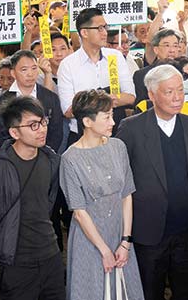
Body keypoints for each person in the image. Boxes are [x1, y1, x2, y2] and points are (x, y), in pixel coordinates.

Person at [116, 65, 188, 300]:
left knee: (186, 291)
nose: (177, 98)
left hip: (186, 229)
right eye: (169, 92)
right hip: (148, 230)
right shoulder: (131, 129)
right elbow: (121, 179)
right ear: (152, 94)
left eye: (180, 90)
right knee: (149, 291)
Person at [0, 97, 64, 300]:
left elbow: (49, 202)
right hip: (16, 262)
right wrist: (2, 250)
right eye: (33, 125)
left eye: (43, 122)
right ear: (14, 132)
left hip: (51, 254)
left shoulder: (50, 160)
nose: (42, 129)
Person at [59, 90, 144, 300]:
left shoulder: (118, 147)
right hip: (89, 240)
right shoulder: (70, 158)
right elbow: (79, 212)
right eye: (107, 117)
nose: (112, 122)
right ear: (87, 121)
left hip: (120, 234)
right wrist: (104, 250)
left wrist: (126, 241)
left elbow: (127, 195)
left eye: (112, 115)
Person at [57, 7, 135, 140]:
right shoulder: (68, 65)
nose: (105, 32)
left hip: (116, 131)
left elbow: (131, 97)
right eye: (99, 28)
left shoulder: (115, 57)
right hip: (83, 135)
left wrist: (104, 102)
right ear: (84, 32)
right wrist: (104, 102)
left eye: (105, 27)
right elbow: (68, 110)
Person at [0, 50, 64, 154]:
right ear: (13, 73)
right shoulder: (2, 101)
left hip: (45, 158)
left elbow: (56, 132)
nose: (30, 74)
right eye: (24, 70)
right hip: (13, 160)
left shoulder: (50, 97)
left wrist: (44, 155)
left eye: (34, 68)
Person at [133, 28, 182, 103]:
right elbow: (142, 107)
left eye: (175, 46)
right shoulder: (142, 75)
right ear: (156, 50)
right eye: (167, 45)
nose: (172, 50)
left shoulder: (184, 69)